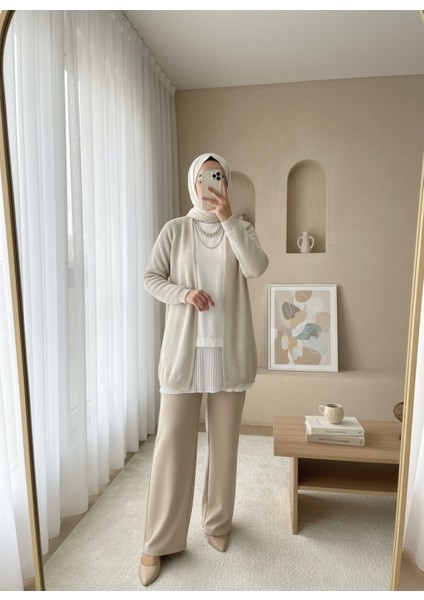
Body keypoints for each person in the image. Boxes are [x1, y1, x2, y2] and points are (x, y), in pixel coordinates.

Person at [139, 152, 269, 586]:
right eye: (203, 177)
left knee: (224, 445)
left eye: (218, 176)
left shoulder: (242, 228)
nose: (210, 183)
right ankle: (158, 540)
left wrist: (229, 217)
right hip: (184, 354)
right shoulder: (174, 230)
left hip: (229, 354)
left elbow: (256, 267)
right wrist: (183, 294)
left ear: (226, 181)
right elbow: (151, 277)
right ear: (192, 183)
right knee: (171, 445)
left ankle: (217, 522)